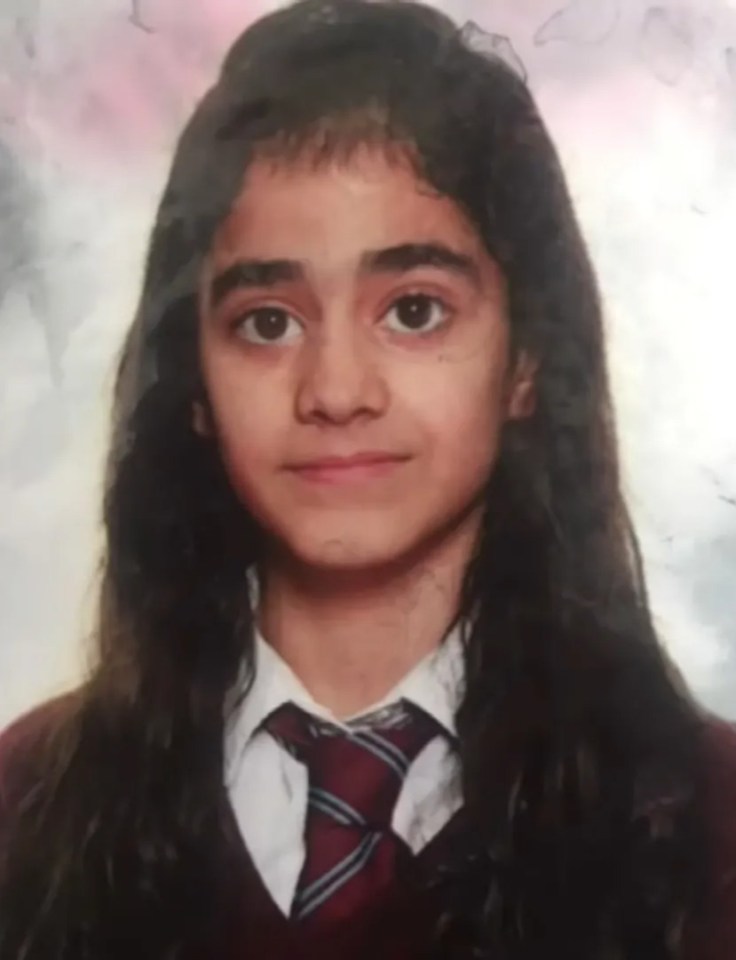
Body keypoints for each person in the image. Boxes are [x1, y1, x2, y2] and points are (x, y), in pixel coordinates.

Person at [0, 1, 734, 957]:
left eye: (416, 310)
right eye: (268, 321)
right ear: (193, 384)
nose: (336, 391)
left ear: (525, 363)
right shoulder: (26, 811)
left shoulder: (713, 824)